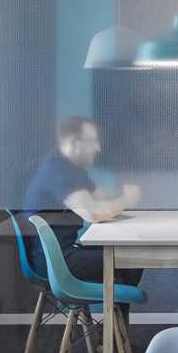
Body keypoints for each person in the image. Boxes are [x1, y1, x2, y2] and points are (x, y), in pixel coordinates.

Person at [22, 115, 143, 288]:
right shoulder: (59, 171)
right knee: (131, 258)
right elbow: (93, 213)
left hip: (61, 253)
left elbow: (101, 197)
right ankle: (116, 312)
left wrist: (122, 194)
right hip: (56, 260)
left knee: (127, 254)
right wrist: (127, 199)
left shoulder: (72, 168)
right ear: (74, 142)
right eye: (92, 141)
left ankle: (116, 311)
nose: (98, 148)